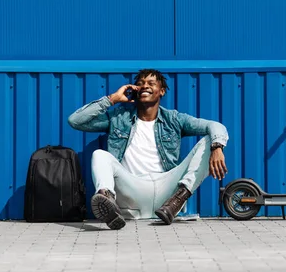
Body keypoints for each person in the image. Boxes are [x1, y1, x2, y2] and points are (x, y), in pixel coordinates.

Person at [67, 69, 229, 229]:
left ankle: (179, 199)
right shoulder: (118, 118)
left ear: (162, 91)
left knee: (211, 139)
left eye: (151, 83)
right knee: (99, 155)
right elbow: (75, 121)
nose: (145, 86)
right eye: (140, 84)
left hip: (167, 192)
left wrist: (217, 148)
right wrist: (113, 99)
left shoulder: (174, 119)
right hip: (131, 190)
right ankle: (107, 198)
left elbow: (215, 126)